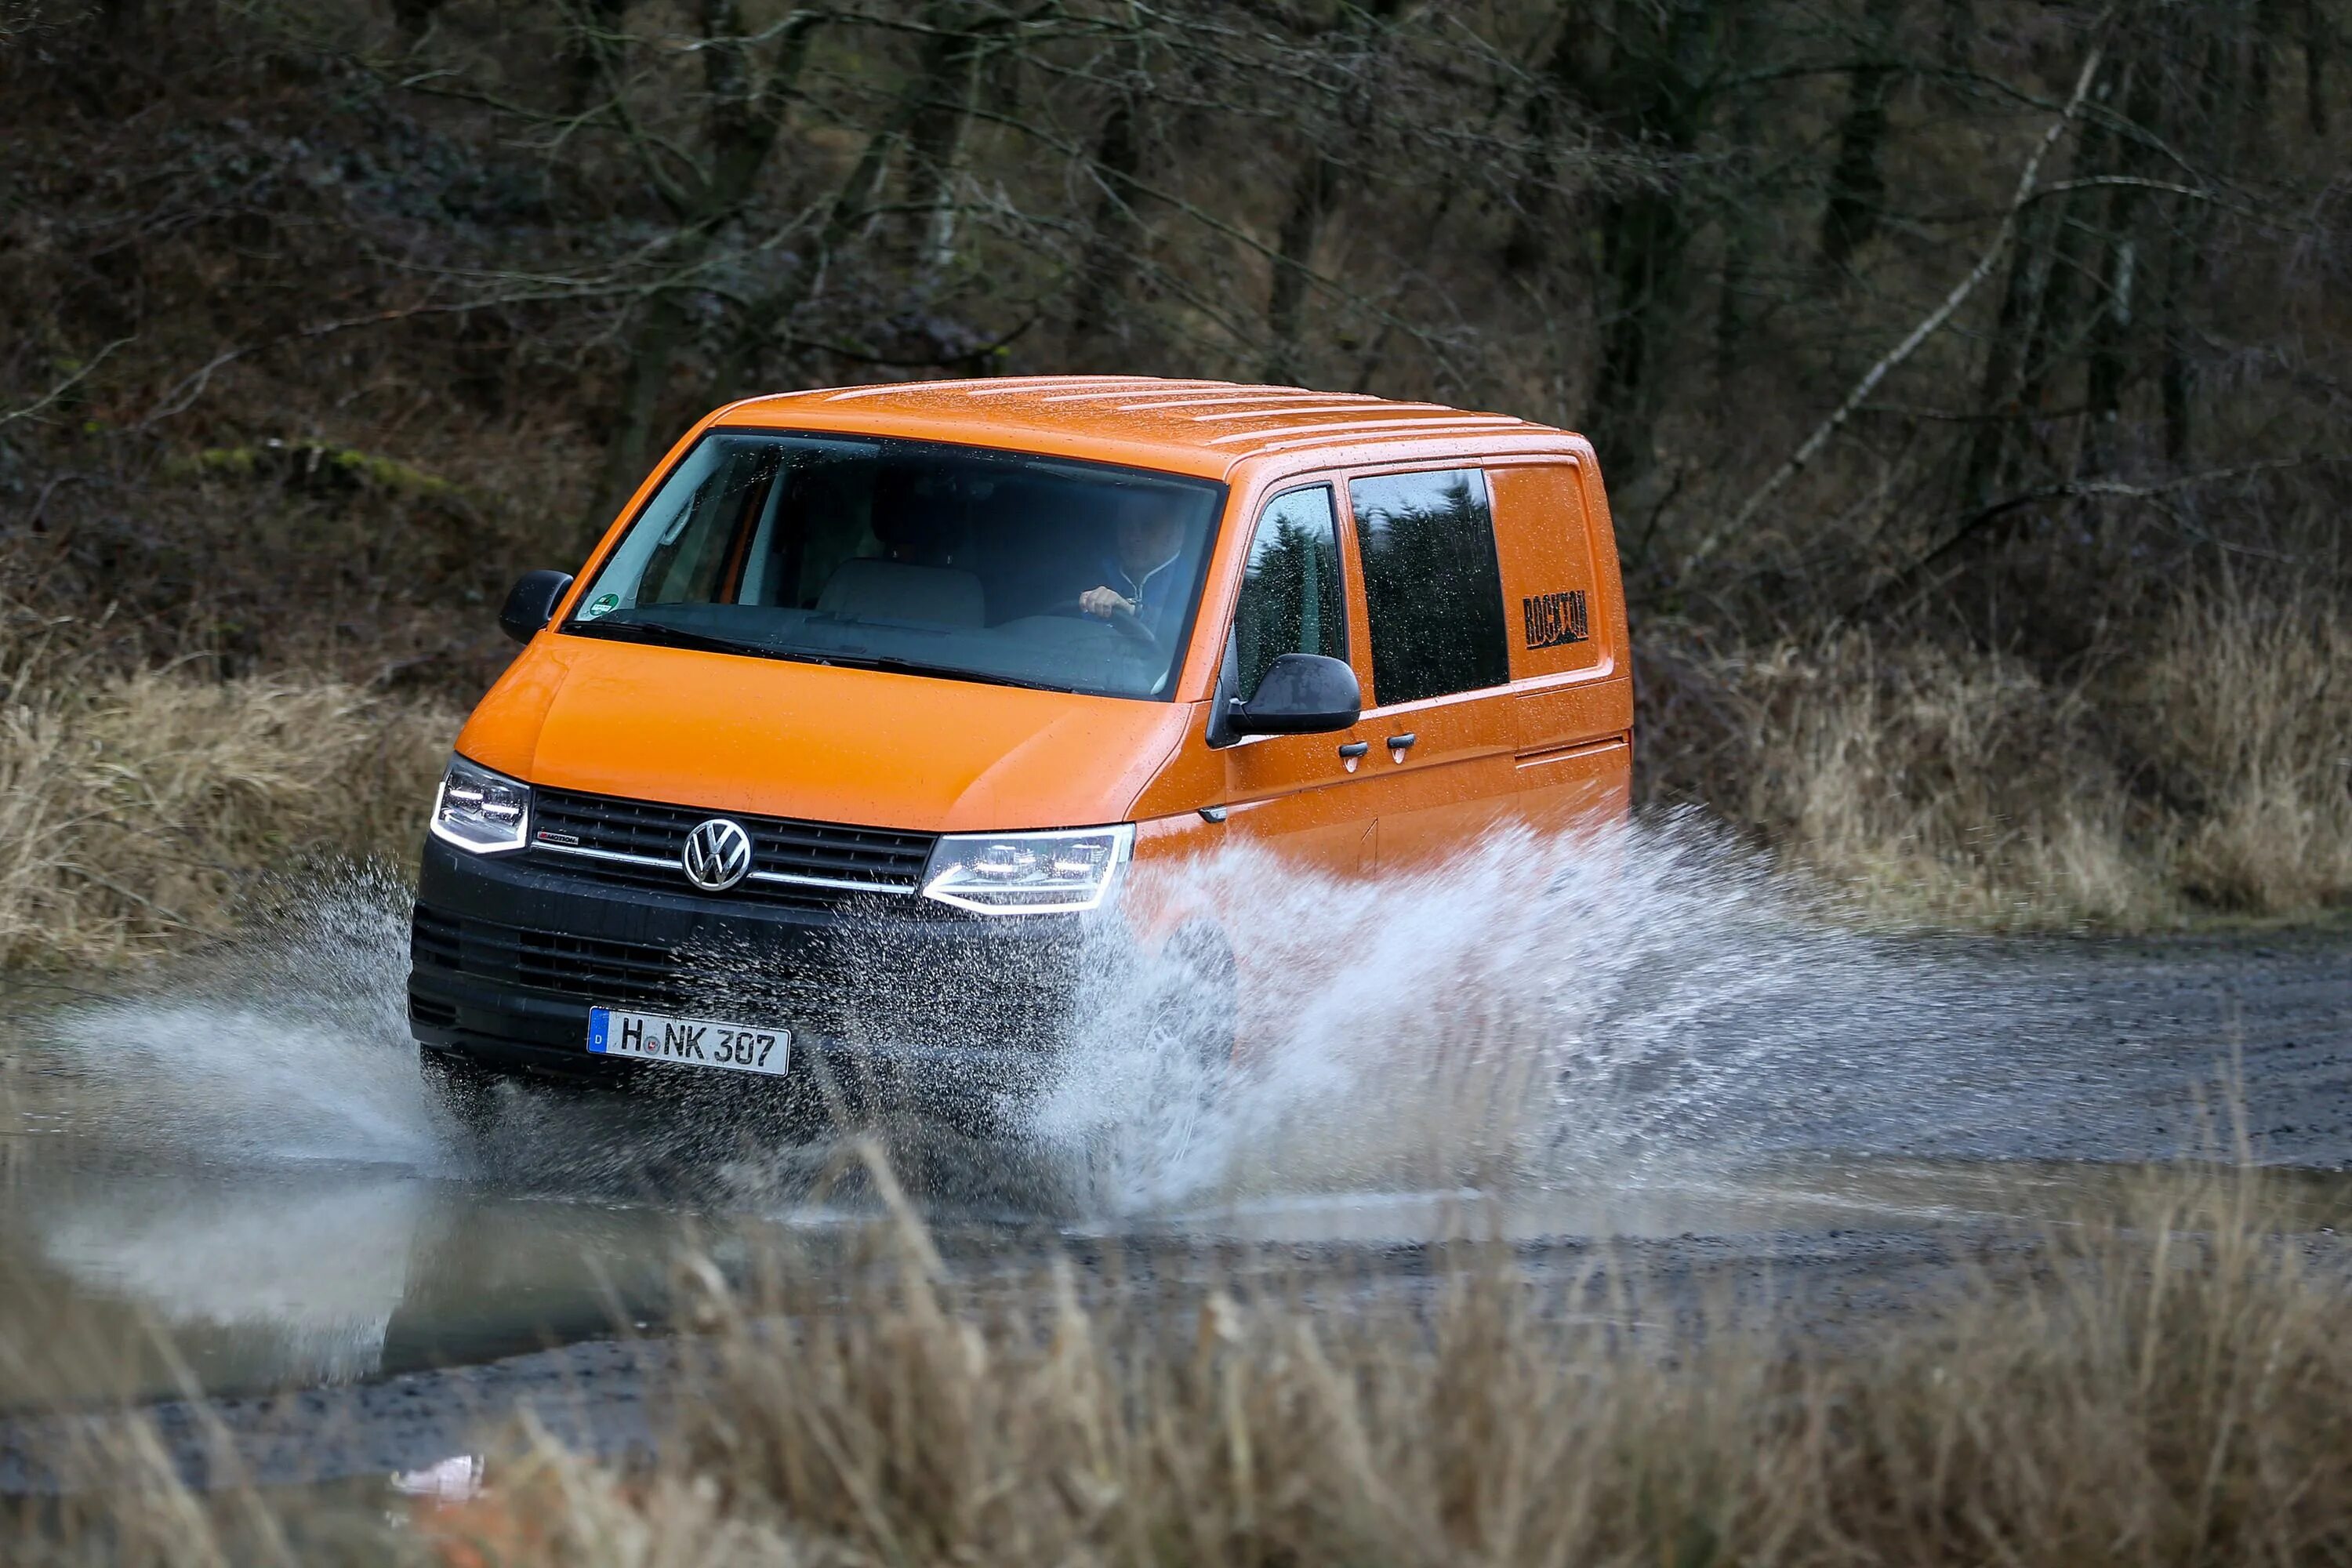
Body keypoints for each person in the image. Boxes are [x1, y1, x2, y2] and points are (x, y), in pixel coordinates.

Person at [1080, 492, 1189, 644]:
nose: (1133, 536)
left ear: (1178, 532)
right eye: (1125, 525)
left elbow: (1194, 639)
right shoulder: (1094, 572)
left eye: (1148, 525)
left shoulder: (1201, 582)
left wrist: (1133, 612)